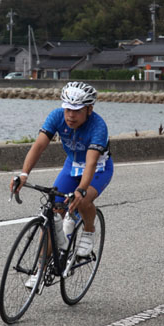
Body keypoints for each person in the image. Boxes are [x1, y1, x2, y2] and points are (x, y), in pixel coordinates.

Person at [10, 81, 113, 270]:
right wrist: (24, 174)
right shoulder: (57, 116)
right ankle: (41, 270)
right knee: (54, 212)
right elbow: (39, 146)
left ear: (89, 109)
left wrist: (81, 190)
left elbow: (91, 162)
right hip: (72, 166)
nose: (70, 115)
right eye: (68, 109)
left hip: (98, 168)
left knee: (82, 200)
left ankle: (89, 231)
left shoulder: (98, 126)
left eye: (77, 110)